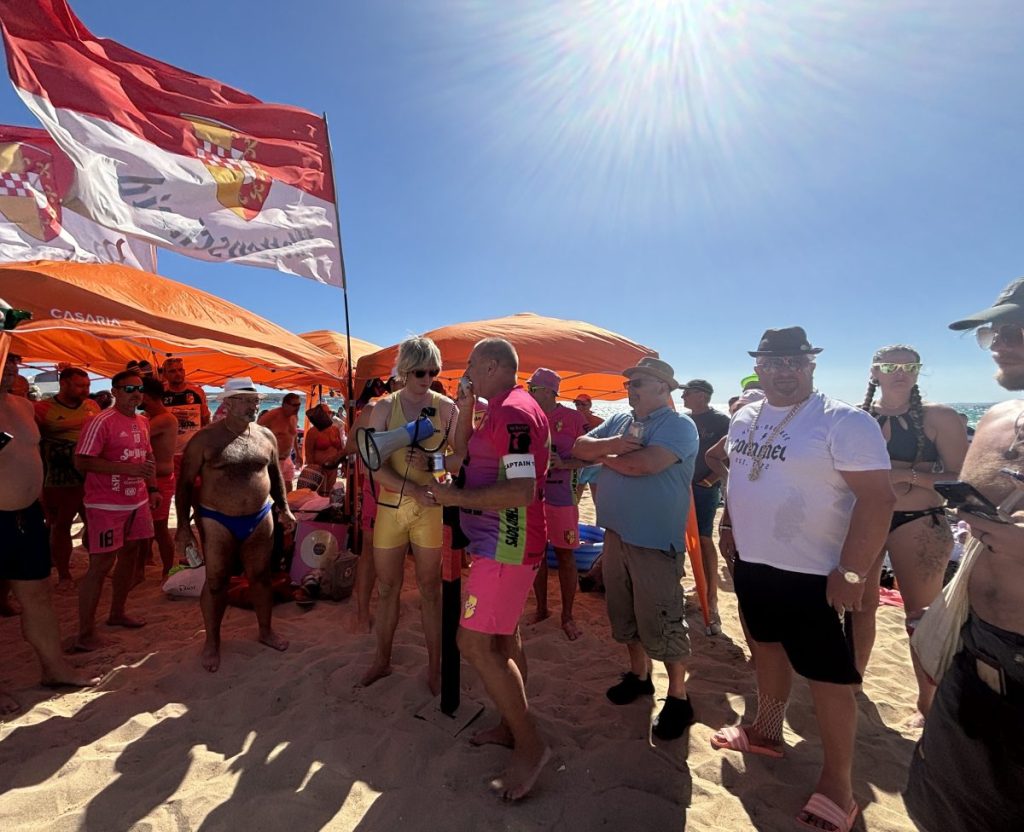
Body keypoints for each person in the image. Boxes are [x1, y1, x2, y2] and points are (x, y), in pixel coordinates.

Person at [713, 327, 894, 832]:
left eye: (795, 360)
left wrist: (854, 571)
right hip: (754, 563)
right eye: (773, 362)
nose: (784, 370)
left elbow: (878, 500)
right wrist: (729, 524)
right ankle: (767, 732)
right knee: (766, 651)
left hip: (814, 572)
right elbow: (738, 474)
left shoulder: (843, 421)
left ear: (812, 365)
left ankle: (838, 783)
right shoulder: (746, 415)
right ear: (759, 366)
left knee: (829, 680)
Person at [905, 278, 1024, 831]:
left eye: (1015, 328)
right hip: (974, 647)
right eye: (993, 330)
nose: (998, 340)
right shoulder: (998, 421)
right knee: (941, 806)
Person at [420, 337, 551, 800]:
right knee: (502, 639)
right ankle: (509, 725)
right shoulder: (497, 408)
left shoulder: (515, 411)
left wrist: (454, 497)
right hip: (499, 542)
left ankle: (532, 743)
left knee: (472, 642)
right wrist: (466, 407)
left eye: (471, 364)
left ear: (492, 364)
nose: (465, 370)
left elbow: (521, 490)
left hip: (508, 543)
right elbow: (465, 455)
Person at [573, 357, 699, 740]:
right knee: (623, 613)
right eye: (629, 383)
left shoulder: (679, 425)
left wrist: (605, 457)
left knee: (663, 617)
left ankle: (678, 697)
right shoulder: (621, 422)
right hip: (617, 535)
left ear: (663, 387)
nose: (631, 389)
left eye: (639, 382)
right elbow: (580, 446)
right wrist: (612, 447)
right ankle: (640, 676)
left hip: (655, 541)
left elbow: (645, 465)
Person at [853, 345, 968, 723]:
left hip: (919, 520)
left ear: (918, 372)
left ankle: (929, 701)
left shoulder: (940, 417)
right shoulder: (856, 416)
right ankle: (852, 684)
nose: (899, 372)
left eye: (909, 366)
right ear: (875, 372)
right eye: (890, 366)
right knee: (858, 607)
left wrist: (904, 474)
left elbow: (962, 479)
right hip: (863, 519)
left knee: (922, 615)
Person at [0, 350, 99, 714]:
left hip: (25, 515)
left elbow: (29, 455)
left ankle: (54, 668)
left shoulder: (23, 406)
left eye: (15, 360)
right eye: (5, 358)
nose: (12, 365)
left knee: (38, 596)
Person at [174, 377, 295, 672]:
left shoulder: (266, 435)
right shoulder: (205, 439)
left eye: (255, 400)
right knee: (216, 581)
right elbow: (185, 484)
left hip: (259, 515)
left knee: (262, 576)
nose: (254, 405)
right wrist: (183, 527)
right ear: (227, 403)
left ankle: (265, 631)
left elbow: (276, 475)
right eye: (245, 400)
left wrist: (284, 508)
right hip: (217, 517)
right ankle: (212, 641)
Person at [359, 337, 457, 696]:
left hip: (429, 512)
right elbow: (373, 465)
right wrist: (413, 488)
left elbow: (461, 460)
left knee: (431, 591)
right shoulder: (384, 407)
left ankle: (435, 667)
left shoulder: (447, 409)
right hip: (391, 508)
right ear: (404, 370)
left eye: (433, 371)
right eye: (419, 371)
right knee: (387, 590)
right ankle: (382, 659)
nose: (427, 377)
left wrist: (432, 463)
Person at [73, 369, 161, 651]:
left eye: (139, 389)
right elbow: (82, 462)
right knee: (100, 564)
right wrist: (127, 469)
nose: (135, 394)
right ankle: (85, 632)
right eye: (128, 389)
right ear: (114, 391)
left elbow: (147, 455)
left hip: (137, 500)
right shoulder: (100, 421)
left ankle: (117, 612)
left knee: (132, 555)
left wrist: (153, 488)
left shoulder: (143, 421)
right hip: (105, 504)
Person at [527, 368, 588, 640]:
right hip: (531, 497)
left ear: (550, 391)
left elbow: (595, 456)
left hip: (562, 497)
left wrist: (565, 463)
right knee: (536, 555)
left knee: (565, 555)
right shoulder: (526, 416)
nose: (529, 392)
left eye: (534, 388)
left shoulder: (574, 418)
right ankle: (541, 609)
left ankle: (568, 615)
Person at [34, 366, 99, 589]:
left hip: (90, 473)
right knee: (61, 525)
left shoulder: (92, 405)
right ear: (64, 384)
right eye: (80, 385)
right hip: (60, 475)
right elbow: (34, 445)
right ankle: (64, 575)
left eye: (88, 385)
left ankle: (95, 568)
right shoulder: (43, 409)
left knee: (94, 522)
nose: (85, 390)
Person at [681, 378, 731, 635]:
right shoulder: (684, 420)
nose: (683, 398)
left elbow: (732, 456)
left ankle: (711, 599)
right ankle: (693, 585)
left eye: (687, 393)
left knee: (702, 538)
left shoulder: (721, 421)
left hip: (703, 490)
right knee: (678, 539)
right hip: (679, 488)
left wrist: (709, 480)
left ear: (702, 395)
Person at [140, 377, 179, 577]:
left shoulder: (164, 419)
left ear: (145, 396)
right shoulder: (149, 416)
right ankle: (146, 561)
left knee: (159, 528)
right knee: (144, 526)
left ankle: (167, 570)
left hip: (161, 479)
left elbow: (135, 436)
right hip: (150, 478)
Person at [161, 357, 210, 474]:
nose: (177, 374)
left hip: (193, 452)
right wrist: (171, 418)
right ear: (165, 375)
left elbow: (205, 420)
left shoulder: (197, 392)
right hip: (168, 454)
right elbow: (150, 421)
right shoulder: (160, 393)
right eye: (172, 371)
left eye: (180, 370)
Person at [257, 392, 302, 492]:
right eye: (294, 405)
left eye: (299, 404)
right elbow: (255, 434)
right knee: (270, 490)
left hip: (287, 458)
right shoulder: (271, 416)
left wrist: (298, 454)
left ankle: (284, 507)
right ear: (285, 405)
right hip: (273, 461)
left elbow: (293, 435)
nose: (298, 408)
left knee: (288, 488)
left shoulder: (294, 417)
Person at [302, 401, 345, 496]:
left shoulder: (335, 429)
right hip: (319, 471)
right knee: (319, 495)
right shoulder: (312, 432)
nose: (330, 414)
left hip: (333, 469)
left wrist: (343, 465)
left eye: (330, 412)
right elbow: (309, 454)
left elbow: (340, 449)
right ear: (320, 414)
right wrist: (314, 473)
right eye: (327, 412)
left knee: (330, 494)